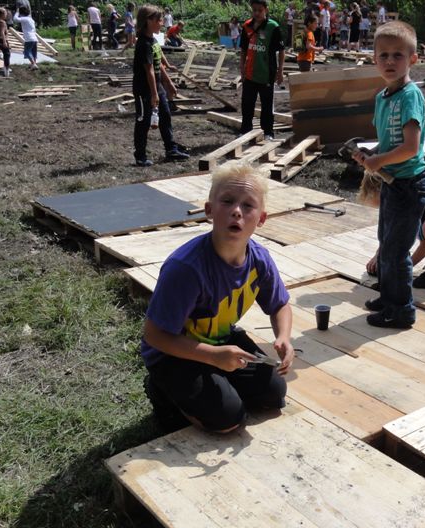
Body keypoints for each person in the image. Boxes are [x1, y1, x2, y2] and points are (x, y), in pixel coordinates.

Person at [141, 162, 295, 434]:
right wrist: (213, 357)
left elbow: (280, 304)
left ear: (261, 219)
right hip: (172, 353)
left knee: (274, 394)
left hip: (221, 340)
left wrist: (283, 336)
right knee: (228, 421)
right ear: (210, 210)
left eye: (248, 206)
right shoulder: (187, 268)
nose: (237, 211)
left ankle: (218, 381)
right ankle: (162, 391)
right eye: (227, 201)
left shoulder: (259, 259)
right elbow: (154, 336)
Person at [353, 20, 425, 329]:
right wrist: (371, 157)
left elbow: (411, 148)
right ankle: (388, 297)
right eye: (383, 55)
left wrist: (380, 160)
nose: (389, 61)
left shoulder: (410, 96)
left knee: (397, 252)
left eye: (398, 55)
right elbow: (389, 142)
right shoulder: (383, 97)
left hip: (410, 185)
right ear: (374, 59)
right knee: (386, 242)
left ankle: (402, 310)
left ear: (413, 59)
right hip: (394, 185)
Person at [132, 4, 189, 166]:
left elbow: (159, 63)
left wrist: (169, 83)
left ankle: (171, 149)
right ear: (148, 21)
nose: (162, 23)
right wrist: (154, 94)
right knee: (143, 122)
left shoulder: (153, 40)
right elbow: (149, 70)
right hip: (145, 90)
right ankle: (140, 156)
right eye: (159, 20)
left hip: (157, 87)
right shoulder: (143, 44)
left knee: (165, 115)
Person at [239, 0, 285, 140]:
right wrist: (242, 68)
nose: (257, 13)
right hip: (250, 73)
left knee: (266, 105)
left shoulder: (273, 27)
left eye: (260, 10)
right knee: (247, 103)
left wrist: (280, 71)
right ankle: (245, 131)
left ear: (266, 9)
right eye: (254, 10)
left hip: (267, 74)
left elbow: (282, 50)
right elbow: (243, 50)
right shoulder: (247, 26)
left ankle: (268, 132)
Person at [12, 5, 38, 69]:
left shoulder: (24, 19)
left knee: (26, 52)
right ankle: (34, 63)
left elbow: (15, 19)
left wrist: (17, 12)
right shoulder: (31, 19)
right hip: (34, 38)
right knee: (33, 52)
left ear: (21, 13)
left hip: (29, 38)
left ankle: (33, 64)